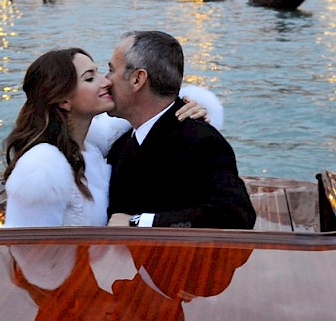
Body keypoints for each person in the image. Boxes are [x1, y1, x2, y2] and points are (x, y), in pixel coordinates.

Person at [2, 48, 216, 228]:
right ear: (64, 101)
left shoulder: (94, 151)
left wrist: (182, 111)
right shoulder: (42, 167)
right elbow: (30, 256)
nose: (105, 81)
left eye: (100, 72)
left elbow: (150, 122)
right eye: (90, 78)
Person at [105, 31, 255, 229]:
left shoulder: (202, 142)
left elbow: (236, 215)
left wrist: (139, 222)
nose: (105, 80)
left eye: (111, 71)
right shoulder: (121, 143)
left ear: (137, 79)